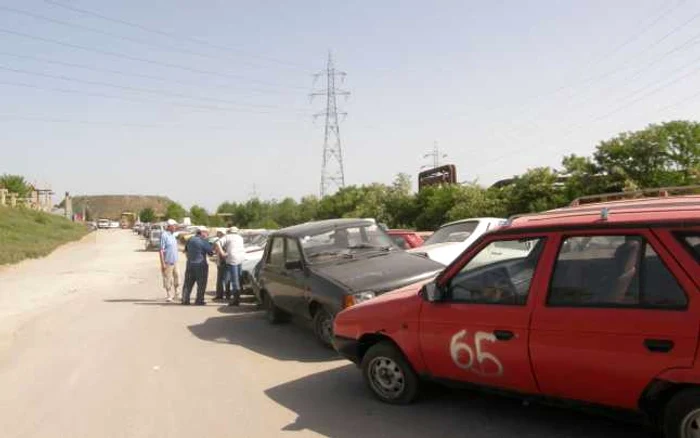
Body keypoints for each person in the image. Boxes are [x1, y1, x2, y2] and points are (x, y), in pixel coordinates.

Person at [215, 227, 246, 306]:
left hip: (233, 259)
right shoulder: (240, 237)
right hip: (240, 258)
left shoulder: (227, 236)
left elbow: (217, 243)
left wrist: (222, 253)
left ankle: (236, 300)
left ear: (229, 231)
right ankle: (237, 298)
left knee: (234, 280)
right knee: (238, 279)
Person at [182, 227, 213, 305]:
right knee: (201, 284)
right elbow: (210, 253)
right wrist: (211, 245)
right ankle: (199, 300)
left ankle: (185, 299)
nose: (207, 234)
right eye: (206, 233)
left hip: (190, 264)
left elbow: (185, 250)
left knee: (188, 283)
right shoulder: (203, 241)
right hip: (200, 265)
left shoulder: (190, 240)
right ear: (202, 233)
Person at [159, 219, 180, 302]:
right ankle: (169, 295)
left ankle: (177, 293)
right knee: (168, 278)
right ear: (169, 226)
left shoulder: (173, 235)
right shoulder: (164, 235)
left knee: (177, 276)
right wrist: (163, 263)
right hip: (167, 261)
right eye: (174, 226)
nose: (175, 227)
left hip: (175, 261)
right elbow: (161, 250)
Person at [213, 229, 231, 301]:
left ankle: (227, 295)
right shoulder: (218, 241)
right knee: (220, 279)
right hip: (220, 262)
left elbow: (225, 252)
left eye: (219, 233)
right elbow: (215, 250)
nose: (218, 234)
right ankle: (219, 295)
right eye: (218, 233)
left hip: (225, 262)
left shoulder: (225, 241)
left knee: (226, 279)